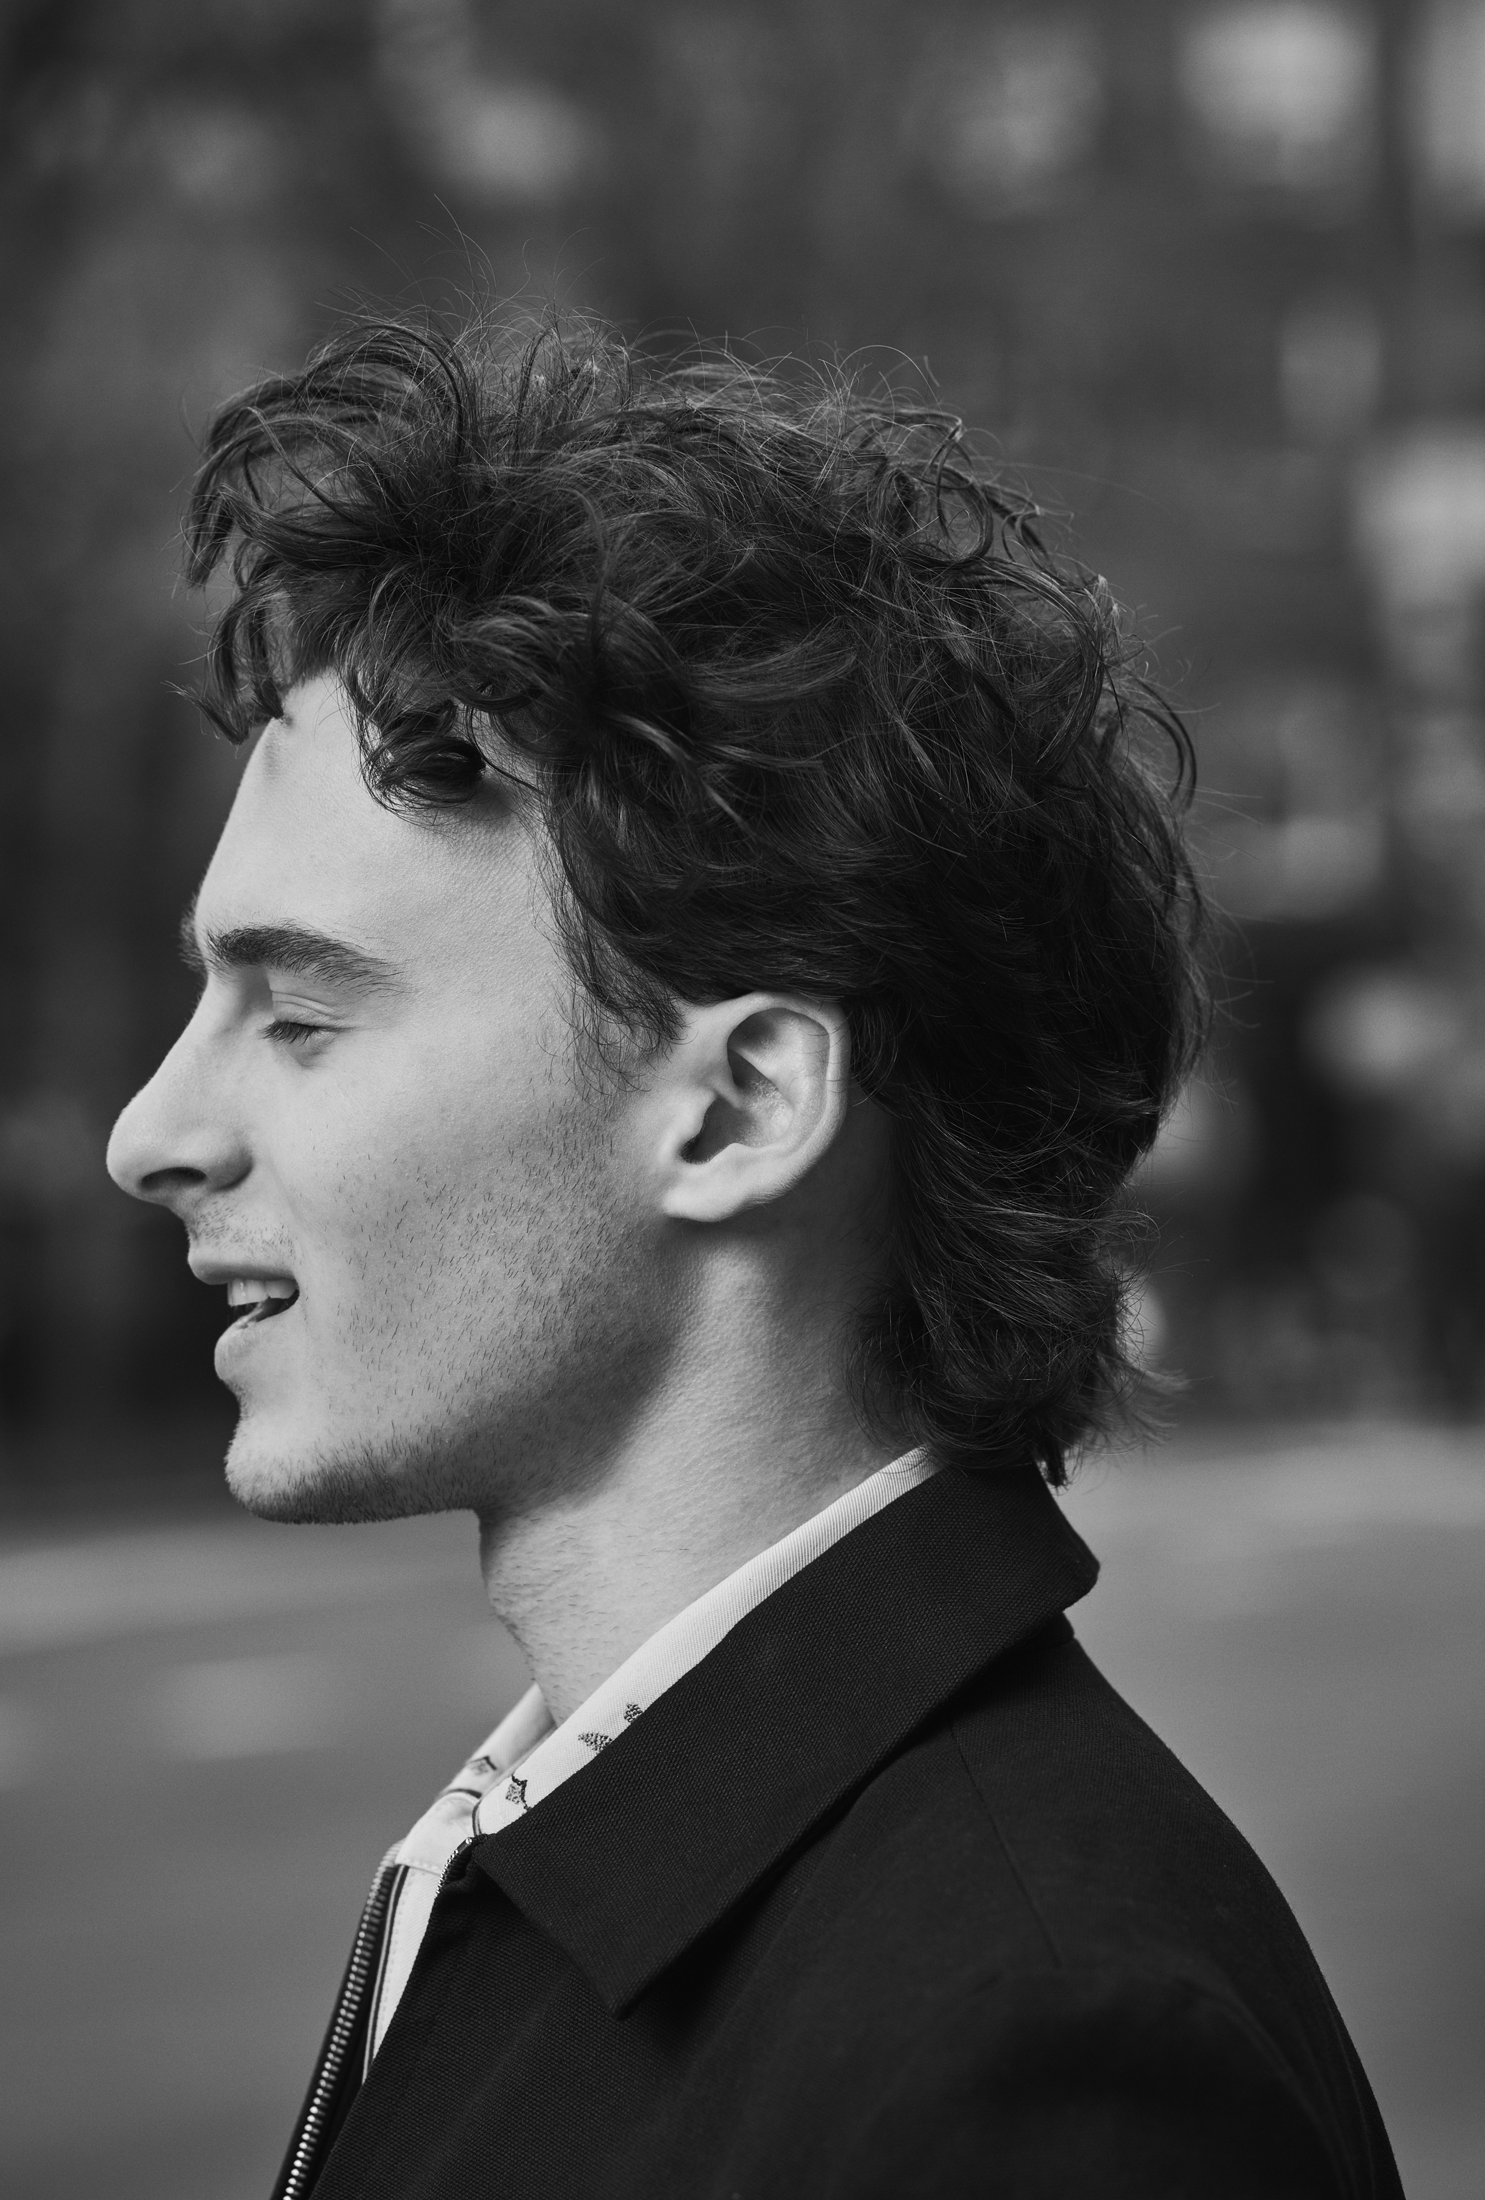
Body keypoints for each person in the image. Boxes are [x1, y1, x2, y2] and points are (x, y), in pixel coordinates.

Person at [107, 307, 1402, 2200]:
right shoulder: (631, 1850)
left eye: (300, 1016)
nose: (151, 1132)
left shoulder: (1026, 2063)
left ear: (733, 1109)